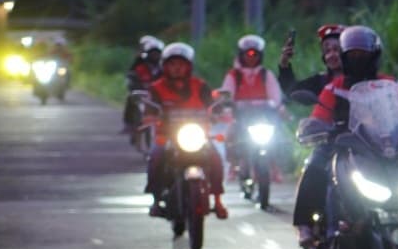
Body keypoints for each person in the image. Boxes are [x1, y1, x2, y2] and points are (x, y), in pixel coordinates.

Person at [295, 25, 398, 249]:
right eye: (353, 56)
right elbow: (318, 117)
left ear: (375, 57)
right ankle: (306, 225)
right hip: (343, 147)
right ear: (345, 58)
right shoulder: (334, 88)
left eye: (364, 55)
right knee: (315, 167)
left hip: (386, 147)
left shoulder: (391, 85)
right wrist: (317, 127)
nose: (359, 60)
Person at [144, 41, 228, 220]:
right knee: (155, 156)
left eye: (181, 64)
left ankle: (218, 201)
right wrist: (150, 117)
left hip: (198, 135)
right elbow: (149, 110)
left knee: (215, 157)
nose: (177, 68)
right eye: (172, 64)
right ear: (165, 66)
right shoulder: (156, 88)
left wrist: (220, 113)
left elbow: (214, 106)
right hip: (167, 136)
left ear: (188, 66)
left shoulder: (200, 86)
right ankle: (156, 200)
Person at [220, 34, 287, 187]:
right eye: (247, 55)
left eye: (255, 55)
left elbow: (275, 95)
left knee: (279, 136)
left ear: (260, 56)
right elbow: (227, 94)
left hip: (263, 117)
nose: (251, 58)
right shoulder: (233, 75)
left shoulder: (266, 75)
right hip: (241, 116)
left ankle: (275, 166)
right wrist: (227, 108)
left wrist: (279, 107)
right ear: (241, 56)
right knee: (230, 135)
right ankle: (233, 165)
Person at [277, 23, 344, 96]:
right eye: (327, 51)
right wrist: (284, 62)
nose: (331, 55)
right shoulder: (321, 81)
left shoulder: (356, 79)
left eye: (336, 49)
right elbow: (292, 90)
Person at [124, 36, 163, 133]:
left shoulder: (164, 68)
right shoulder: (140, 67)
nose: (155, 56)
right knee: (131, 99)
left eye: (157, 53)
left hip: (158, 94)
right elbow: (131, 78)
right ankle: (129, 124)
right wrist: (135, 87)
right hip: (142, 92)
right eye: (153, 53)